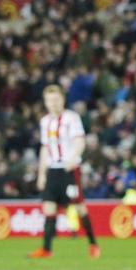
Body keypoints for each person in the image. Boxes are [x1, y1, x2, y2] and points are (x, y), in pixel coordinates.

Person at [28, 85, 99, 259]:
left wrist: (73, 159)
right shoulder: (45, 122)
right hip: (53, 170)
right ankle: (46, 249)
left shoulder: (71, 118)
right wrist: (42, 174)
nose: (53, 103)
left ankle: (93, 244)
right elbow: (45, 148)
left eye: (56, 99)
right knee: (48, 207)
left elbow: (80, 141)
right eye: (49, 100)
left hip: (70, 170)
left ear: (62, 100)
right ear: (45, 102)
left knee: (79, 207)